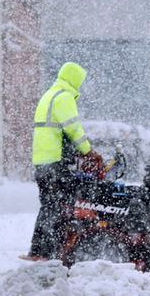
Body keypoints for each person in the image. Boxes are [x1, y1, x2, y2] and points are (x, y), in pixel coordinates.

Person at [22, 62, 104, 261]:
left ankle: (39, 250)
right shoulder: (63, 97)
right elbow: (73, 129)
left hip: (42, 162)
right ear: (74, 79)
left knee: (50, 205)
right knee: (62, 206)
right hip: (56, 163)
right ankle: (53, 251)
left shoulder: (49, 95)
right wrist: (89, 152)